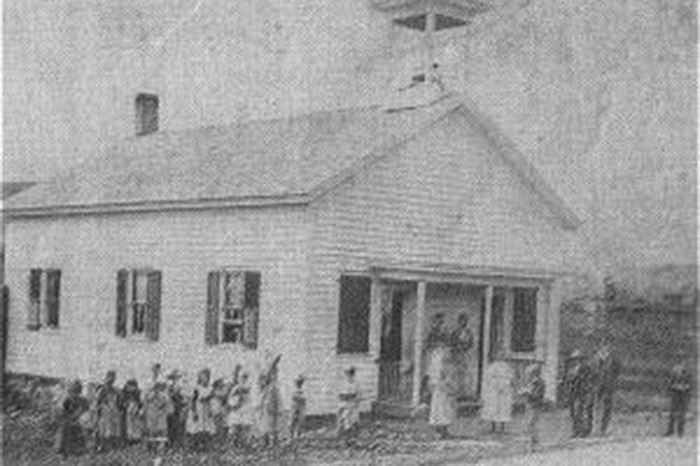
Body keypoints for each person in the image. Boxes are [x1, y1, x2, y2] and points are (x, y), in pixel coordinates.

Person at [592, 342, 621, 435]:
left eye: (606, 346)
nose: (604, 348)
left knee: (608, 407)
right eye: (602, 346)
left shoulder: (614, 359)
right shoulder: (596, 359)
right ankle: (595, 428)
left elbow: (617, 372)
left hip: (609, 386)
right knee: (596, 406)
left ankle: (604, 428)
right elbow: (592, 371)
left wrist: (613, 382)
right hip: (597, 385)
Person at [481, 355, 515, 433]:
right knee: (493, 407)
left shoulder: (506, 367)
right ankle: (493, 426)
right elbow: (487, 379)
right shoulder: (491, 367)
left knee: (503, 408)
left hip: (504, 391)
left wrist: (505, 384)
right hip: (493, 390)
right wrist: (492, 387)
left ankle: (502, 427)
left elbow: (510, 377)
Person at [57, 380, 90, 458]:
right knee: (65, 435)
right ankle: (64, 453)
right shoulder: (68, 398)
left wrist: (79, 415)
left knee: (77, 434)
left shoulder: (82, 400)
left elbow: (86, 409)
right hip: (68, 420)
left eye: (77, 390)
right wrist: (70, 417)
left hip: (76, 420)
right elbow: (63, 411)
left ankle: (76, 452)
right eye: (73, 390)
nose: (75, 393)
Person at [566, 350, 595, 438]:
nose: (576, 360)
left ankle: (585, 430)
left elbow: (587, 380)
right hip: (573, 392)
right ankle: (576, 430)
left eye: (578, 359)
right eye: (574, 359)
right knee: (574, 412)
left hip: (583, 391)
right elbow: (569, 380)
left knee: (583, 411)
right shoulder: (571, 368)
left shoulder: (586, 367)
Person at [187, 368, 216, 452]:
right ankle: (196, 446)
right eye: (203, 377)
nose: (205, 379)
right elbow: (193, 400)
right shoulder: (197, 388)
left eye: (207, 377)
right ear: (200, 378)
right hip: (198, 409)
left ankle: (205, 446)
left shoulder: (210, 388)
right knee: (197, 428)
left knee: (206, 428)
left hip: (206, 410)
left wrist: (211, 409)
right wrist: (194, 412)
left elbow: (210, 401)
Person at [259, 356, 282, 454]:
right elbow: (266, 379)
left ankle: (273, 443)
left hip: (273, 407)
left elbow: (277, 398)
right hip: (268, 407)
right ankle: (268, 443)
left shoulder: (274, 386)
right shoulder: (268, 386)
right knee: (267, 425)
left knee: (273, 425)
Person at [95, 370, 122, 452]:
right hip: (105, 410)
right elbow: (98, 402)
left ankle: (111, 447)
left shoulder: (115, 390)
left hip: (113, 411)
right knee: (103, 429)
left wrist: (117, 408)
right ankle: (101, 446)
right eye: (110, 377)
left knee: (112, 430)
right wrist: (100, 409)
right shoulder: (102, 390)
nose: (112, 379)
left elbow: (118, 401)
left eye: (113, 378)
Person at [520, 363, 545, 452]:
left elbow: (537, 395)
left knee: (531, 425)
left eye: (530, 373)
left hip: (535, 406)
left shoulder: (540, 382)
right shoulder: (532, 382)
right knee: (529, 425)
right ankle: (534, 444)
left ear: (535, 373)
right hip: (530, 405)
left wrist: (527, 393)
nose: (528, 376)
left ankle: (533, 445)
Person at [429, 353, 454, 439]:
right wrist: (442, 384)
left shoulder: (447, 369)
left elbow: (449, 381)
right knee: (438, 412)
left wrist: (449, 386)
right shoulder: (436, 374)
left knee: (446, 411)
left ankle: (445, 430)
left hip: (444, 395)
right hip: (439, 395)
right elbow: (435, 383)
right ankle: (438, 431)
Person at [449, 313, 475, 397]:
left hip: (465, 354)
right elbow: (452, 343)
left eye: (465, 321)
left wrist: (465, 346)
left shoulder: (468, 332)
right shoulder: (455, 332)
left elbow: (471, 343)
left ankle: (464, 391)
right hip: (457, 355)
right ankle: (456, 390)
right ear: (459, 322)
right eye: (461, 321)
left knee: (465, 372)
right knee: (456, 372)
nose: (463, 323)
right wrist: (457, 347)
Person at [144, 381, 173, 455]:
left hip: (161, 417)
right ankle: (153, 449)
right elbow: (146, 403)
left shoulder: (164, 396)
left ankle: (161, 449)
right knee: (152, 432)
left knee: (162, 432)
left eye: (159, 387)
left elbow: (169, 407)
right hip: (152, 416)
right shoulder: (150, 395)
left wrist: (167, 411)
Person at [227, 370, 254, 449]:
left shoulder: (247, 386)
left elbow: (246, 390)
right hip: (237, 409)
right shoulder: (235, 388)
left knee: (245, 427)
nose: (243, 379)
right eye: (242, 377)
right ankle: (233, 444)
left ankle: (244, 444)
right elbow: (231, 398)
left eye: (245, 377)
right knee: (235, 427)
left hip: (245, 408)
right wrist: (234, 401)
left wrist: (240, 390)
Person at [665, 361, 692, 437]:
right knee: (673, 412)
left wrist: (685, 387)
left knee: (682, 413)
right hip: (676, 392)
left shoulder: (688, 370)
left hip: (685, 393)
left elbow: (690, 384)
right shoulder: (674, 370)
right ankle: (671, 430)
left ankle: (680, 431)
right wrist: (675, 386)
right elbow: (670, 382)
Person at [337, 366, 361, 439]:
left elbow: (358, 394)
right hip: (344, 403)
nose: (349, 375)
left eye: (351, 373)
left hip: (353, 403)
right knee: (343, 416)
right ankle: (342, 432)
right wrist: (344, 397)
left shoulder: (356, 383)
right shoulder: (343, 383)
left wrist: (356, 399)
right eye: (348, 374)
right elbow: (340, 394)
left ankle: (352, 433)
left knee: (353, 418)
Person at [166, 370, 187, 449]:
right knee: (171, 427)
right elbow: (170, 395)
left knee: (177, 426)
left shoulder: (178, 387)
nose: (174, 380)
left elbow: (181, 398)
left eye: (175, 378)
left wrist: (181, 401)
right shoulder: (170, 387)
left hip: (176, 409)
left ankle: (176, 444)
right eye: (172, 378)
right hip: (170, 409)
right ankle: (171, 444)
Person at [120, 378, 143, 445]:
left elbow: (140, 403)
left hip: (135, 412)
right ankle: (128, 440)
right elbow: (121, 403)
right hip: (127, 413)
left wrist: (138, 408)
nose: (131, 388)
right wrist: (125, 404)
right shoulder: (124, 393)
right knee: (128, 426)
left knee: (136, 426)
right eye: (129, 386)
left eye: (133, 386)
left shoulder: (138, 393)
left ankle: (136, 440)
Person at [290, 375, 307, 442]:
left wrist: (300, 399)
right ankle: (291, 436)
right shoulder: (294, 390)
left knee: (300, 421)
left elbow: (303, 399)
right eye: (298, 382)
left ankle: (298, 435)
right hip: (295, 406)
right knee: (293, 421)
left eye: (300, 382)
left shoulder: (303, 390)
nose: (299, 383)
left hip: (300, 407)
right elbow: (294, 397)